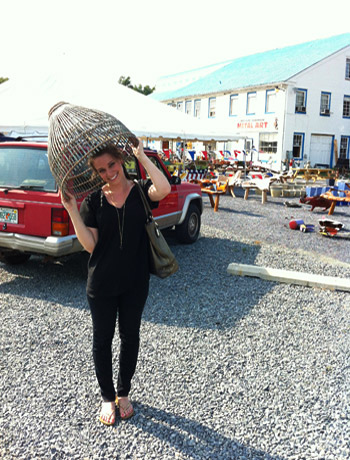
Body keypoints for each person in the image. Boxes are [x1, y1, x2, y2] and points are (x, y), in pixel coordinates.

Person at [60, 140, 171, 426]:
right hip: (102, 284)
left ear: (120, 160)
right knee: (102, 341)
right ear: (96, 174)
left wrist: (142, 157)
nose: (109, 173)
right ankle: (107, 397)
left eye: (112, 164)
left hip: (136, 282)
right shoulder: (93, 201)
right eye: (101, 170)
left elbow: (165, 188)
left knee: (130, 337)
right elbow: (90, 245)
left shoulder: (141, 193)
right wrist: (72, 210)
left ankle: (123, 392)